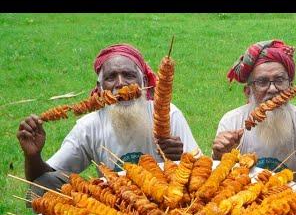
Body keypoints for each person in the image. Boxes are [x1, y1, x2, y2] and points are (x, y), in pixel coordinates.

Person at [16, 43, 200, 196]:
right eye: (111, 77)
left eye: (129, 75)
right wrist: (32, 156)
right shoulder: (89, 126)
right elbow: (42, 182)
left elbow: (201, 175)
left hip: (169, 199)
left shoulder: (168, 114)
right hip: (116, 202)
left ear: (143, 81)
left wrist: (180, 160)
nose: (120, 83)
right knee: (43, 188)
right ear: (100, 88)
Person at [213, 39, 296, 189]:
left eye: (280, 80)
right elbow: (217, 183)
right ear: (248, 91)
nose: (272, 89)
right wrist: (219, 157)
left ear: (290, 86)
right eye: (262, 82)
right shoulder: (231, 123)